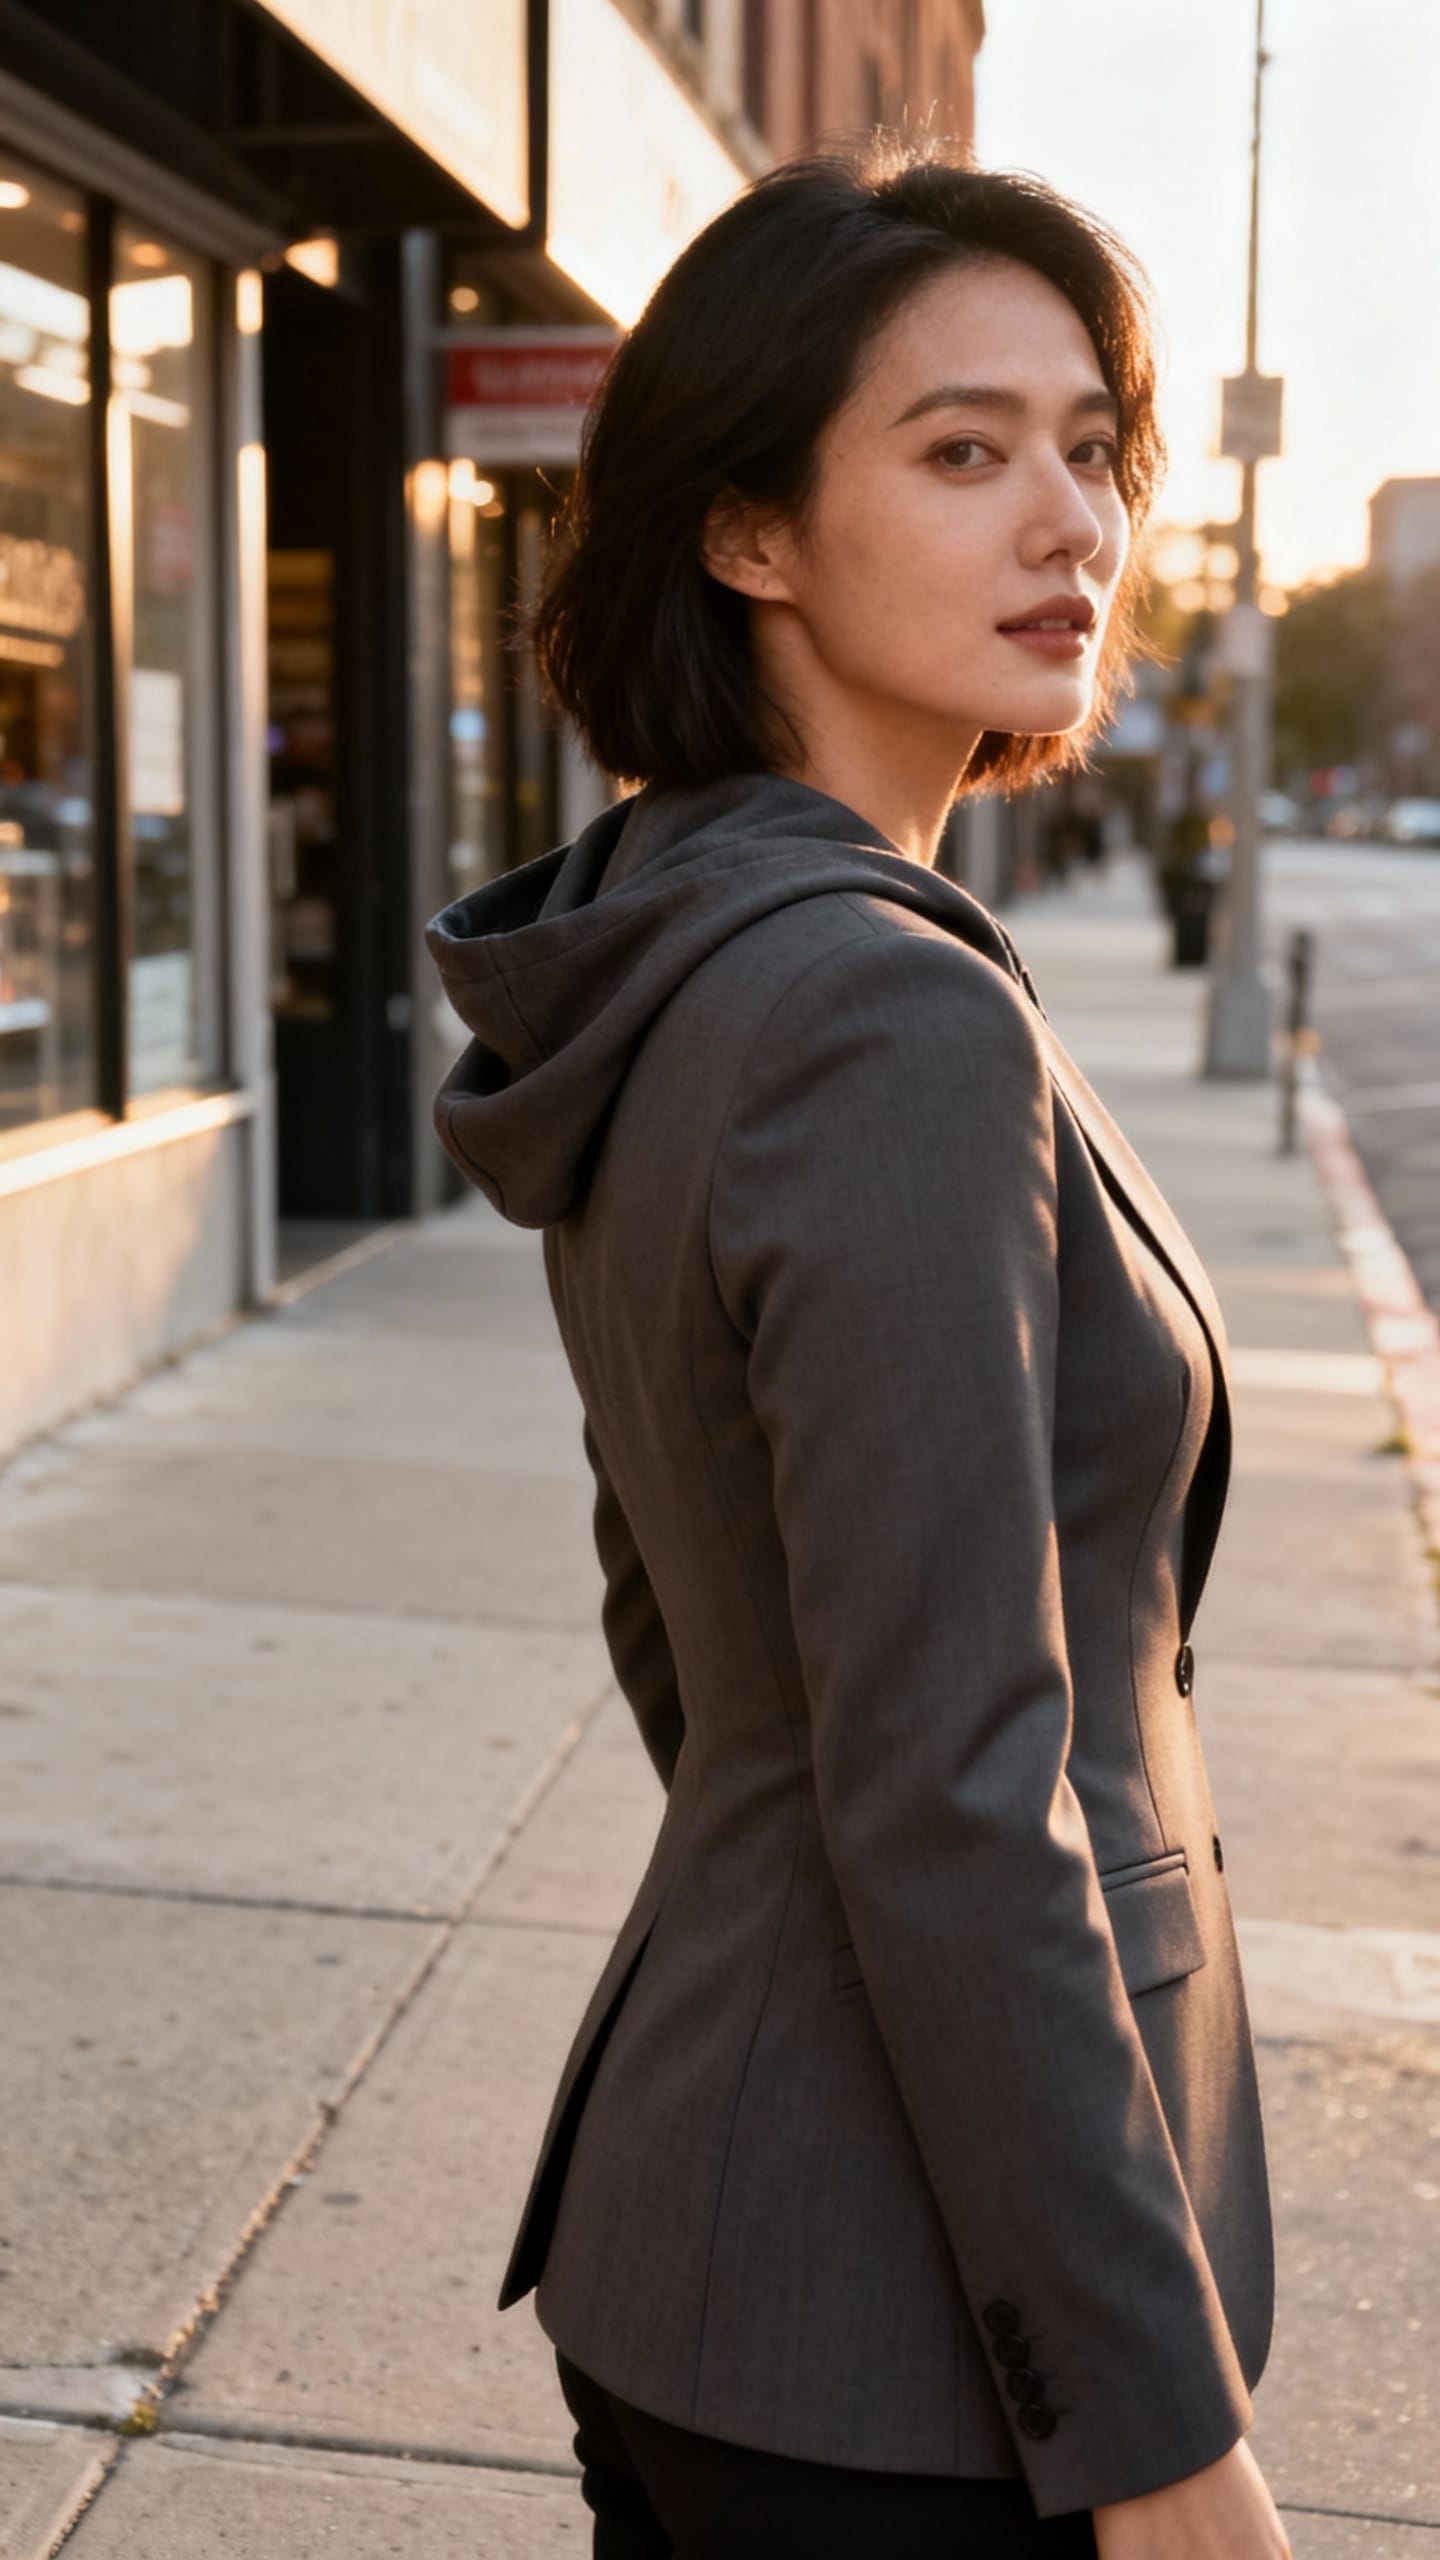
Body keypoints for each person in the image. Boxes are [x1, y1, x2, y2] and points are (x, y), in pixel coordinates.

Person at [426, 137, 1289, 2560]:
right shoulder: (879, 1014)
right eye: (962, 450)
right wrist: (1153, 2427)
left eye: (1090, 449)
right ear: (750, 531)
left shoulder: (677, 935)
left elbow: (685, 1610)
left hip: (734, 2233)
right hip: (901, 2343)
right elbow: (950, 1764)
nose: (1070, 522)